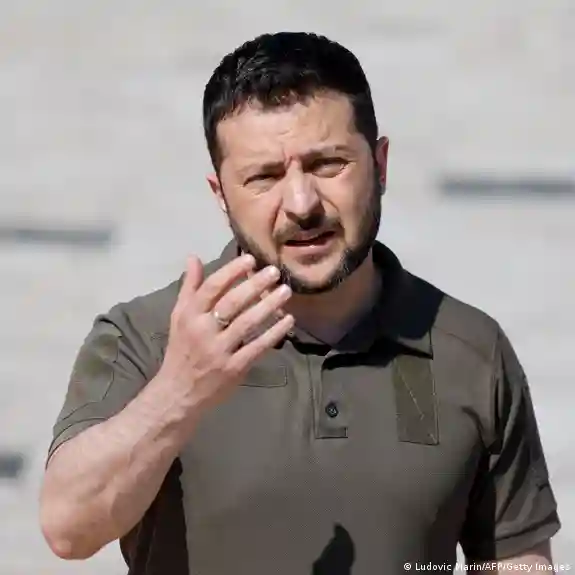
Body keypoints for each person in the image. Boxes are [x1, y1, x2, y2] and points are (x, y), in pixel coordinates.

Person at [39, 32, 561, 574]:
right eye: (263, 176)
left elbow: (515, 561)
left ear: (380, 164)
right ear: (221, 195)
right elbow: (68, 530)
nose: (301, 203)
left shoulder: (469, 349)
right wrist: (180, 390)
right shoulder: (145, 340)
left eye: (328, 164)